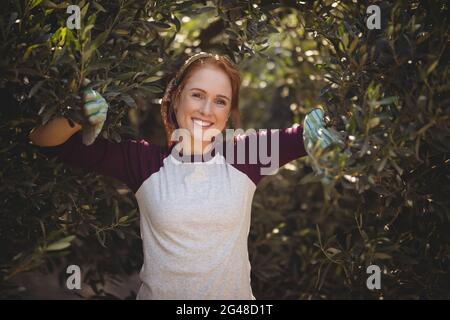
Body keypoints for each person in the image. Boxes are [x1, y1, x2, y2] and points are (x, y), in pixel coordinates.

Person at [28, 52, 343, 300]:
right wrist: (77, 117)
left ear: (229, 111)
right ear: (176, 97)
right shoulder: (141, 161)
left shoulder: (246, 155)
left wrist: (325, 127)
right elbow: (47, 142)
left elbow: (310, 134)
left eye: (220, 101)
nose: (207, 109)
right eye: (197, 95)